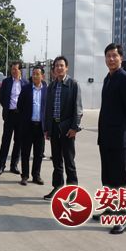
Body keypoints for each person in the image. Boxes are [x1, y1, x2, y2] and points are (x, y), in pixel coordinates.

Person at [96, 43, 126, 235]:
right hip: (105, 136)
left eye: (114, 56)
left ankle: (123, 217)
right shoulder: (108, 78)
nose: (111, 59)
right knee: (107, 176)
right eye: (108, 56)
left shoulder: (124, 78)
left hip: (118, 136)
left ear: (121, 58)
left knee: (119, 178)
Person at [43, 57, 83, 198]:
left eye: (61, 65)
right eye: (56, 66)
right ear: (54, 69)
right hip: (54, 128)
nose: (59, 68)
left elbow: (78, 109)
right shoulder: (51, 86)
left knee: (69, 161)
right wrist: (47, 129)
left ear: (66, 67)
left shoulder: (73, 84)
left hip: (67, 129)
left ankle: (72, 192)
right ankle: (57, 187)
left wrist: (74, 128)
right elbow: (48, 109)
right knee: (57, 161)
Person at [16, 65, 48, 187]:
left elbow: (48, 108)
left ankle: (36, 175)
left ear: (42, 76)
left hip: (40, 127)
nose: (35, 76)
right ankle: (25, 175)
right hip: (28, 126)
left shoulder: (46, 90)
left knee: (38, 153)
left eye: (37, 74)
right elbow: (19, 106)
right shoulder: (26, 89)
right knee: (25, 152)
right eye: (33, 74)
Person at [0, 61, 28, 175]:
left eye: (16, 69)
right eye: (12, 69)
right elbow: (1, 97)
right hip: (9, 114)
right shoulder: (6, 82)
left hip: (20, 116)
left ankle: (14, 165)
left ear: (20, 70)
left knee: (18, 141)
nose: (14, 71)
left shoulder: (25, 83)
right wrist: (6, 106)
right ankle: (1, 165)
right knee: (6, 140)